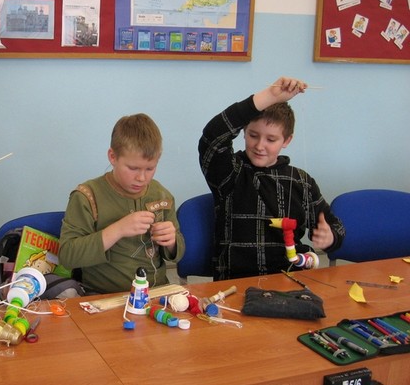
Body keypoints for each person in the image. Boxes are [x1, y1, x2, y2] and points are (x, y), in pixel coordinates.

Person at [199, 77, 345, 280]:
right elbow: (213, 137)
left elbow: (334, 226)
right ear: (243, 132)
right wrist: (268, 96)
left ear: (287, 140)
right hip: (236, 281)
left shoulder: (302, 182)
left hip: (290, 279)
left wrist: (331, 237)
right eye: (253, 135)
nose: (260, 146)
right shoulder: (229, 172)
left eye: (271, 139)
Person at [59, 113, 185, 294]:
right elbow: (68, 256)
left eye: (150, 168)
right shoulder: (87, 196)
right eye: (133, 168)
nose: (142, 178)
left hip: (156, 293)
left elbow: (177, 253)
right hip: (103, 296)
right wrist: (118, 230)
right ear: (113, 156)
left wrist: (171, 242)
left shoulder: (161, 195)